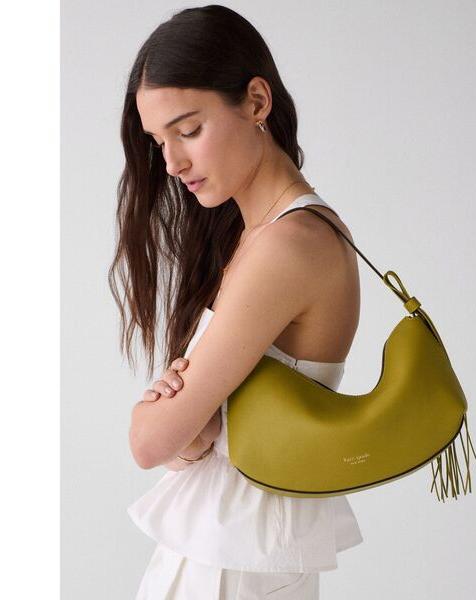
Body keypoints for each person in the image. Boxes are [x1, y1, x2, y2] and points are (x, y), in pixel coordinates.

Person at [108, 5, 363, 598]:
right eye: (159, 141)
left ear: (256, 101)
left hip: (235, 559)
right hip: (229, 546)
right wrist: (192, 432)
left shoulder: (288, 246)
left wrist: (158, 418)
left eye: (188, 130)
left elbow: (151, 444)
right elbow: (189, 439)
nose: (172, 163)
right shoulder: (259, 236)